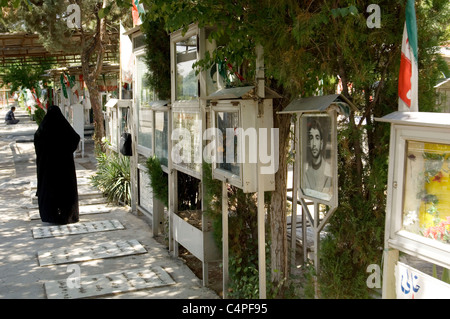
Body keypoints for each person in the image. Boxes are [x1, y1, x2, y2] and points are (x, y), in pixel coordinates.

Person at [34, 105, 80, 224]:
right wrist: (66, 151)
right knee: (65, 190)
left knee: (50, 190)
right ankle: (67, 215)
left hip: (48, 168)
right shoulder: (63, 127)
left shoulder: (42, 131)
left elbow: (37, 142)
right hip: (64, 167)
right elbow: (75, 138)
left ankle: (50, 215)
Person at [303, 118, 332, 196]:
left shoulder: (328, 170)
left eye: (317, 138)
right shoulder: (305, 171)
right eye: (311, 138)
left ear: (321, 143)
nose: (314, 144)